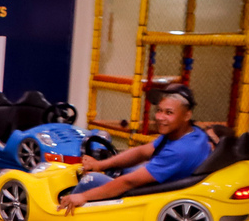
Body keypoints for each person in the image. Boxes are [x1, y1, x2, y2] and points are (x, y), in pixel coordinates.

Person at [59, 83, 212, 214]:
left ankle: (61, 212)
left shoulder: (181, 150)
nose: (159, 117)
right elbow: (142, 152)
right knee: (122, 168)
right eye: (159, 110)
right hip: (164, 186)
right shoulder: (191, 133)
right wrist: (101, 165)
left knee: (91, 179)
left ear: (187, 115)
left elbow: (129, 182)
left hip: (154, 199)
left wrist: (83, 196)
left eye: (169, 113)